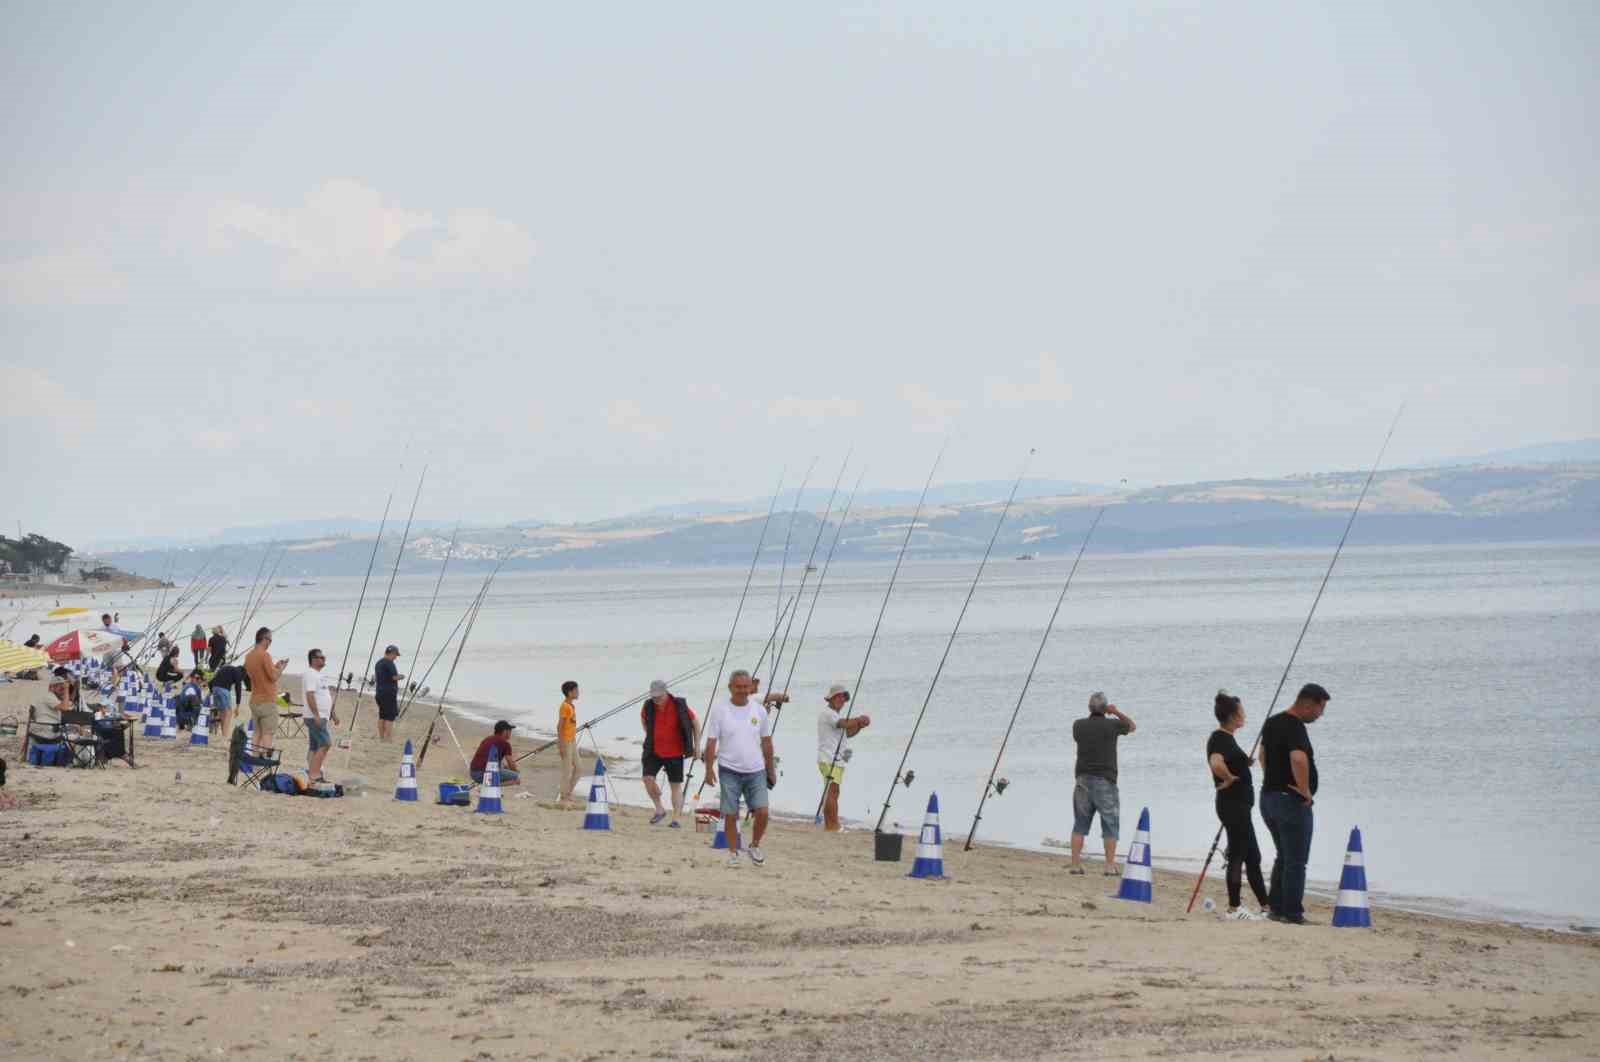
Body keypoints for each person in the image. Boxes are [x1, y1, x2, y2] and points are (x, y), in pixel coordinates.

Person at [1259, 682, 1330, 925]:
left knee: (1284, 856)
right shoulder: (1295, 726)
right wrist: (1304, 791)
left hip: (1268, 798)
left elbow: (1262, 755)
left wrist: (1273, 778)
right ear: (1308, 705)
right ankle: (1292, 913)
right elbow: (1298, 759)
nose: (1321, 715)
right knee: (1297, 861)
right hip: (1290, 802)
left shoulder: (1272, 722)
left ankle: (1276, 909)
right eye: (1320, 709)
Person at [700, 670, 776, 869]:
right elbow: (711, 742)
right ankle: (733, 852)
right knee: (731, 814)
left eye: (746, 687)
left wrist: (771, 769)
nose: (742, 691)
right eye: (738, 687)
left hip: (756, 770)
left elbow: (767, 742)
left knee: (763, 811)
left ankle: (754, 845)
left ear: (751, 687)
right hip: (729, 769)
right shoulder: (720, 710)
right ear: (730, 688)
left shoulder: (759, 711)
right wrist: (708, 769)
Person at [1207, 690, 1268, 919]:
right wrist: (1229, 778)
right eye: (1241, 712)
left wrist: (1243, 763)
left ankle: (1266, 906)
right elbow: (1216, 762)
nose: (1244, 716)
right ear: (1232, 716)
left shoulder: (1227, 739)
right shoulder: (1219, 738)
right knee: (1238, 854)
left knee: (1253, 856)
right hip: (1232, 806)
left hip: (1239, 807)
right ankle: (1234, 908)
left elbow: (1228, 759)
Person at [1069, 691, 1137, 875]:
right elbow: (1132, 726)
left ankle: (1075, 865)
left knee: (1080, 824)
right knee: (1110, 824)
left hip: (1082, 779)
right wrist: (1115, 712)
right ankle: (1109, 865)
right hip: (1105, 781)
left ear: (1089, 708)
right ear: (1105, 708)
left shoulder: (1078, 725)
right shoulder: (1112, 725)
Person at [640, 678, 698, 826]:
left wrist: (697, 747)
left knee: (675, 786)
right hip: (654, 750)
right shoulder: (648, 706)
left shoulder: (679, 705)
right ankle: (659, 809)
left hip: (675, 752)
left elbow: (695, 723)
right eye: (654, 697)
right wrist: (652, 737)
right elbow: (644, 722)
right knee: (647, 779)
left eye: (659, 696)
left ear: (666, 692)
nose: (656, 700)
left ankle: (676, 818)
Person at [816, 683, 870, 832]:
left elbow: (847, 733)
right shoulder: (828, 713)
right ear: (831, 698)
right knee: (832, 792)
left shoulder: (835, 715)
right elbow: (842, 724)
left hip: (836, 760)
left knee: (834, 792)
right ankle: (833, 825)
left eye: (843, 698)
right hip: (828, 758)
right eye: (838, 697)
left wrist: (859, 726)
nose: (841, 700)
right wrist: (859, 719)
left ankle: (830, 825)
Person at [243, 627, 288, 749]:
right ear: (264, 639)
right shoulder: (264, 655)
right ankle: (264, 759)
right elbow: (273, 677)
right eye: (270, 640)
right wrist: (281, 669)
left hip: (255, 700)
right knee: (268, 733)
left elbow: (260, 674)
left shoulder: (248, 656)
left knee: (257, 733)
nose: (270, 643)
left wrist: (275, 666)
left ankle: (254, 759)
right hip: (267, 700)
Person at [302, 648, 338, 782]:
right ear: (313, 659)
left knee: (315, 746)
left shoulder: (319, 675)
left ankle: (311, 773)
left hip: (322, 716)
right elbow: (310, 695)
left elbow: (325, 696)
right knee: (325, 744)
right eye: (320, 657)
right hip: (315, 717)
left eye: (324, 657)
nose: (323, 659)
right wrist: (316, 715)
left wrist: (333, 714)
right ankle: (314, 774)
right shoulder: (310, 674)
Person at [469, 721, 522, 786]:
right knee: (516, 777)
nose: (511, 733)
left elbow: (488, 758)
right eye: (510, 730)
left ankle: (488, 784)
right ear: (505, 731)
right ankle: (489, 785)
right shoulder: (505, 744)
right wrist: (516, 771)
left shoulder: (487, 739)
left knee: (503, 768)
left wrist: (505, 767)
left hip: (473, 773)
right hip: (483, 774)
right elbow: (510, 762)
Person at [209, 660, 249, 737]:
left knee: (220, 712)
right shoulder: (238, 672)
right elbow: (238, 688)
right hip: (223, 690)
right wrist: (237, 705)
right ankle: (225, 735)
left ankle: (214, 732)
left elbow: (211, 682)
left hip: (214, 688)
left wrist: (212, 692)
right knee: (228, 712)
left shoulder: (227, 668)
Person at [373, 645, 403, 743]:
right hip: (388, 694)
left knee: (382, 716)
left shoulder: (379, 663)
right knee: (390, 717)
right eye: (395, 655)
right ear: (391, 653)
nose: (396, 657)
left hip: (379, 693)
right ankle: (388, 739)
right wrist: (401, 676)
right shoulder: (389, 663)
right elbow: (394, 677)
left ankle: (382, 738)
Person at [557, 681, 581, 803]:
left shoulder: (572, 706)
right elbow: (559, 727)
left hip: (572, 740)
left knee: (579, 768)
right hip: (565, 742)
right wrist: (561, 745)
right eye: (576, 690)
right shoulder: (564, 706)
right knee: (567, 771)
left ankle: (568, 793)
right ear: (569, 692)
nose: (578, 692)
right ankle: (564, 796)